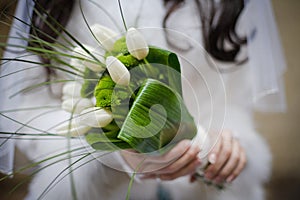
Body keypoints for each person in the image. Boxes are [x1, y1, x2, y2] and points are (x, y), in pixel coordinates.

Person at [0, 0, 286, 199]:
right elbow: (28, 110)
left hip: (201, 187)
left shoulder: (224, 4)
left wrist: (224, 145)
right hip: (93, 188)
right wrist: (116, 152)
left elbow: (233, 100)